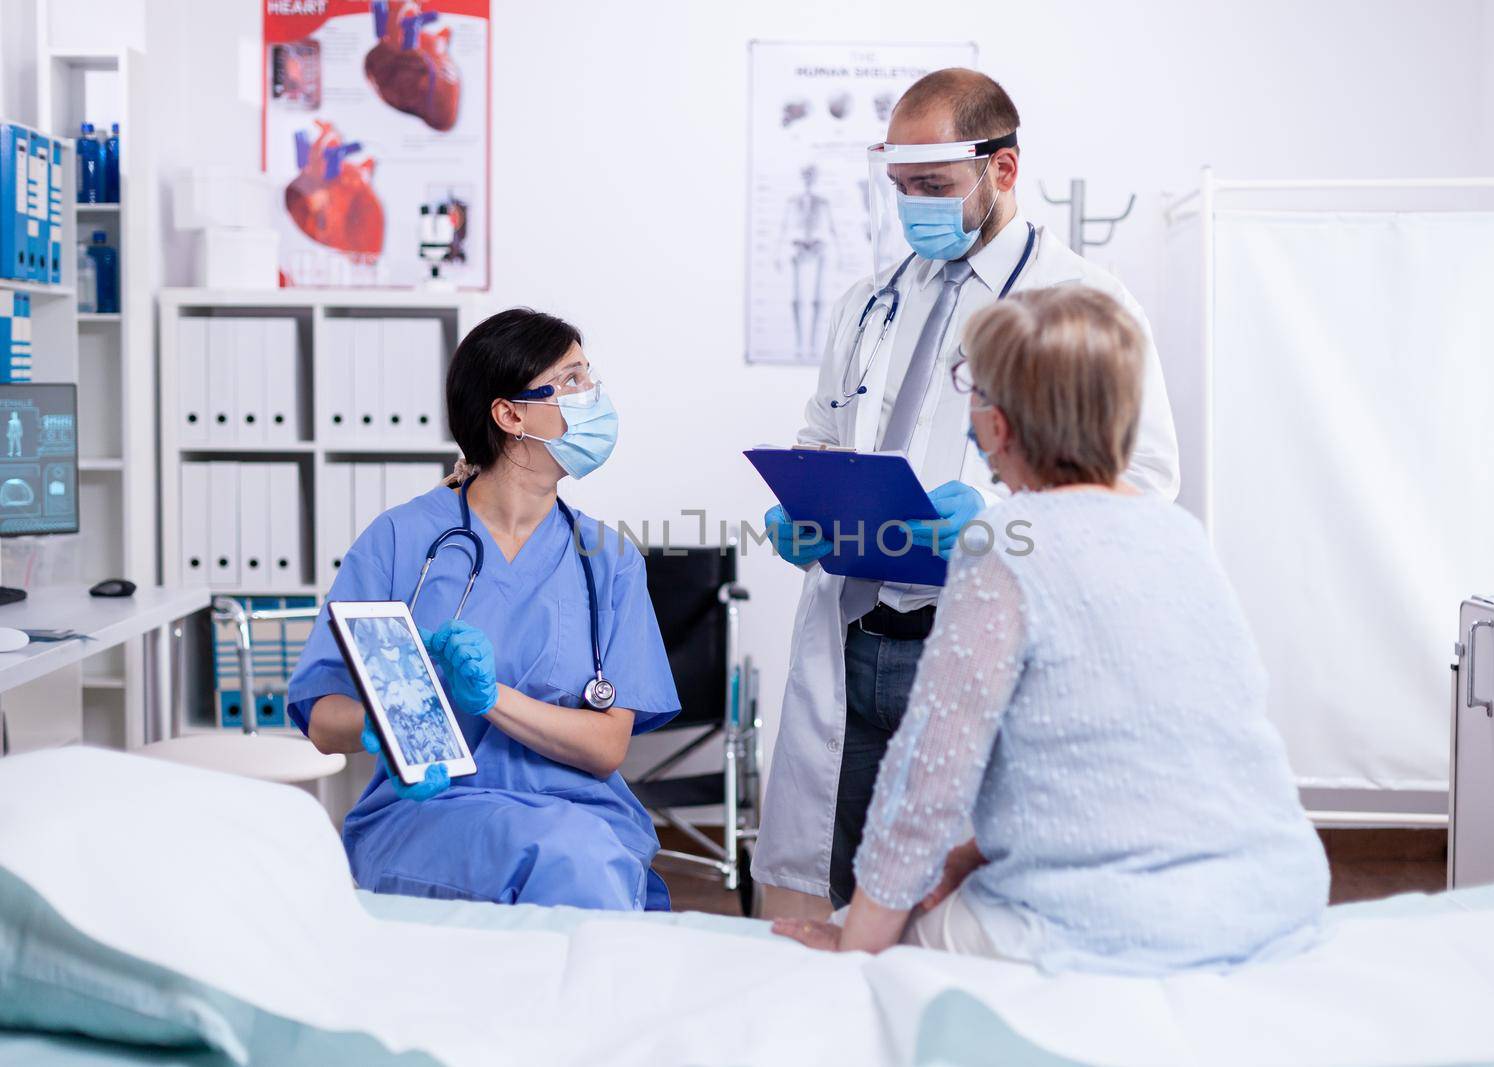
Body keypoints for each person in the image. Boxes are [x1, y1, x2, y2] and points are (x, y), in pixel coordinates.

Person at [775, 287, 1329, 973]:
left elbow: (927, 780)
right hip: (1276, 893)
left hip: (1115, 920)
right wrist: (973, 856)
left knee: (859, 947)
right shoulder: (1180, 536)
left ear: (999, 425)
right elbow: (1150, 749)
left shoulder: (1005, 544)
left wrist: (853, 944)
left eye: (970, 389)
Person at [754, 68, 1181, 918]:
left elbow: (1148, 485)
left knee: (952, 902)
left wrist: (994, 518)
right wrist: (803, 507)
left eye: (935, 187)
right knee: (838, 885)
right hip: (854, 636)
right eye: (901, 187)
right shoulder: (868, 303)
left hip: (974, 641)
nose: (914, 206)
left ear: (1004, 170)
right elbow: (823, 437)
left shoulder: (1084, 304)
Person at [286, 308, 681, 909]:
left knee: (578, 859)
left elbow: (607, 747)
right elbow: (321, 719)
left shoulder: (607, 558)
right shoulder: (401, 541)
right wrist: (383, 722)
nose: (592, 398)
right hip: (431, 811)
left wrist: (489, 698)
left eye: (589, 379)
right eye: (572, 382)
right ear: (510, 414)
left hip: (583, 815)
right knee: (570, 868)